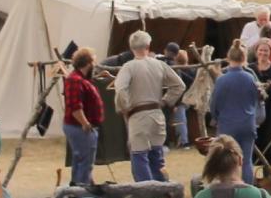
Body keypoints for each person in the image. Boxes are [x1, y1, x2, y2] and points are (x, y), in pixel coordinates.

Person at [114, 31, 184, 184]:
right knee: (156, 159)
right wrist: (165, 101)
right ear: (148, 46)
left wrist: (125, 108)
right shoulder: (159, 64)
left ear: (131, 47)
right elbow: (179, 85)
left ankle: (148, 197)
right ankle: (163, 196)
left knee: (140, 158)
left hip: (138, 116)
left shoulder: (129, 67)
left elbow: (120, 90)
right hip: (157, 115)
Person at [207, 44, 262, 183]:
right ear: (244, 58)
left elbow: (214, 104)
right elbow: (256, 100)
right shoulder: (250, 77)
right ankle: (248, 189)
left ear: (228, 58)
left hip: (227, 125)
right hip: (247, 123)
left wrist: (216, 117)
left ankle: (226, 187)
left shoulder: (221, 80)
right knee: (247, 161)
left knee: (224, 159)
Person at [61, 50, 105, 187]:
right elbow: (75, 106)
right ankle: (82, 193)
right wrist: (85, 123)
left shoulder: (82, 79)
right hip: (79, 126)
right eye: (93, 62)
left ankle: (79, 189)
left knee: (80, 160)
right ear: (87, 63)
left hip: (81, 126)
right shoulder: (74, 80)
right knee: (85, 163)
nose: (94, 65)